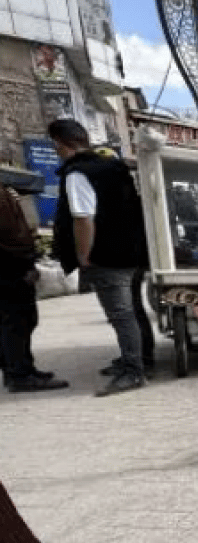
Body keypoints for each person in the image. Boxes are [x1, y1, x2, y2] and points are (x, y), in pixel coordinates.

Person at [48, 119, 150, 396]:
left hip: (106, 257)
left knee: (121, 314)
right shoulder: (114, 166)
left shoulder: (78, 173)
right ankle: (140, 360)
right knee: (133, 310)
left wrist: (83, 254)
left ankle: (133, 371)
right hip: (133, 252)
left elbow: (83, 219)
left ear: (59, 143)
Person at [93, 147, 156, 380]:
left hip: (124, 261)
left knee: (127, 312)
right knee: (130, 311)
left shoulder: (116, 193)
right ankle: (137, 357)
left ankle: (140, 360)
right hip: (130, 259)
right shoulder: (125, 190)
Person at [0, 183, 69, 392]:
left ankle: (21, 369)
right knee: (17, 322)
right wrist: (26, 262)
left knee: (18, 322)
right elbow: (11, 237)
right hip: (10, 269)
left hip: (10, 267)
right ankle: (20, 375)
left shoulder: (4, 192)